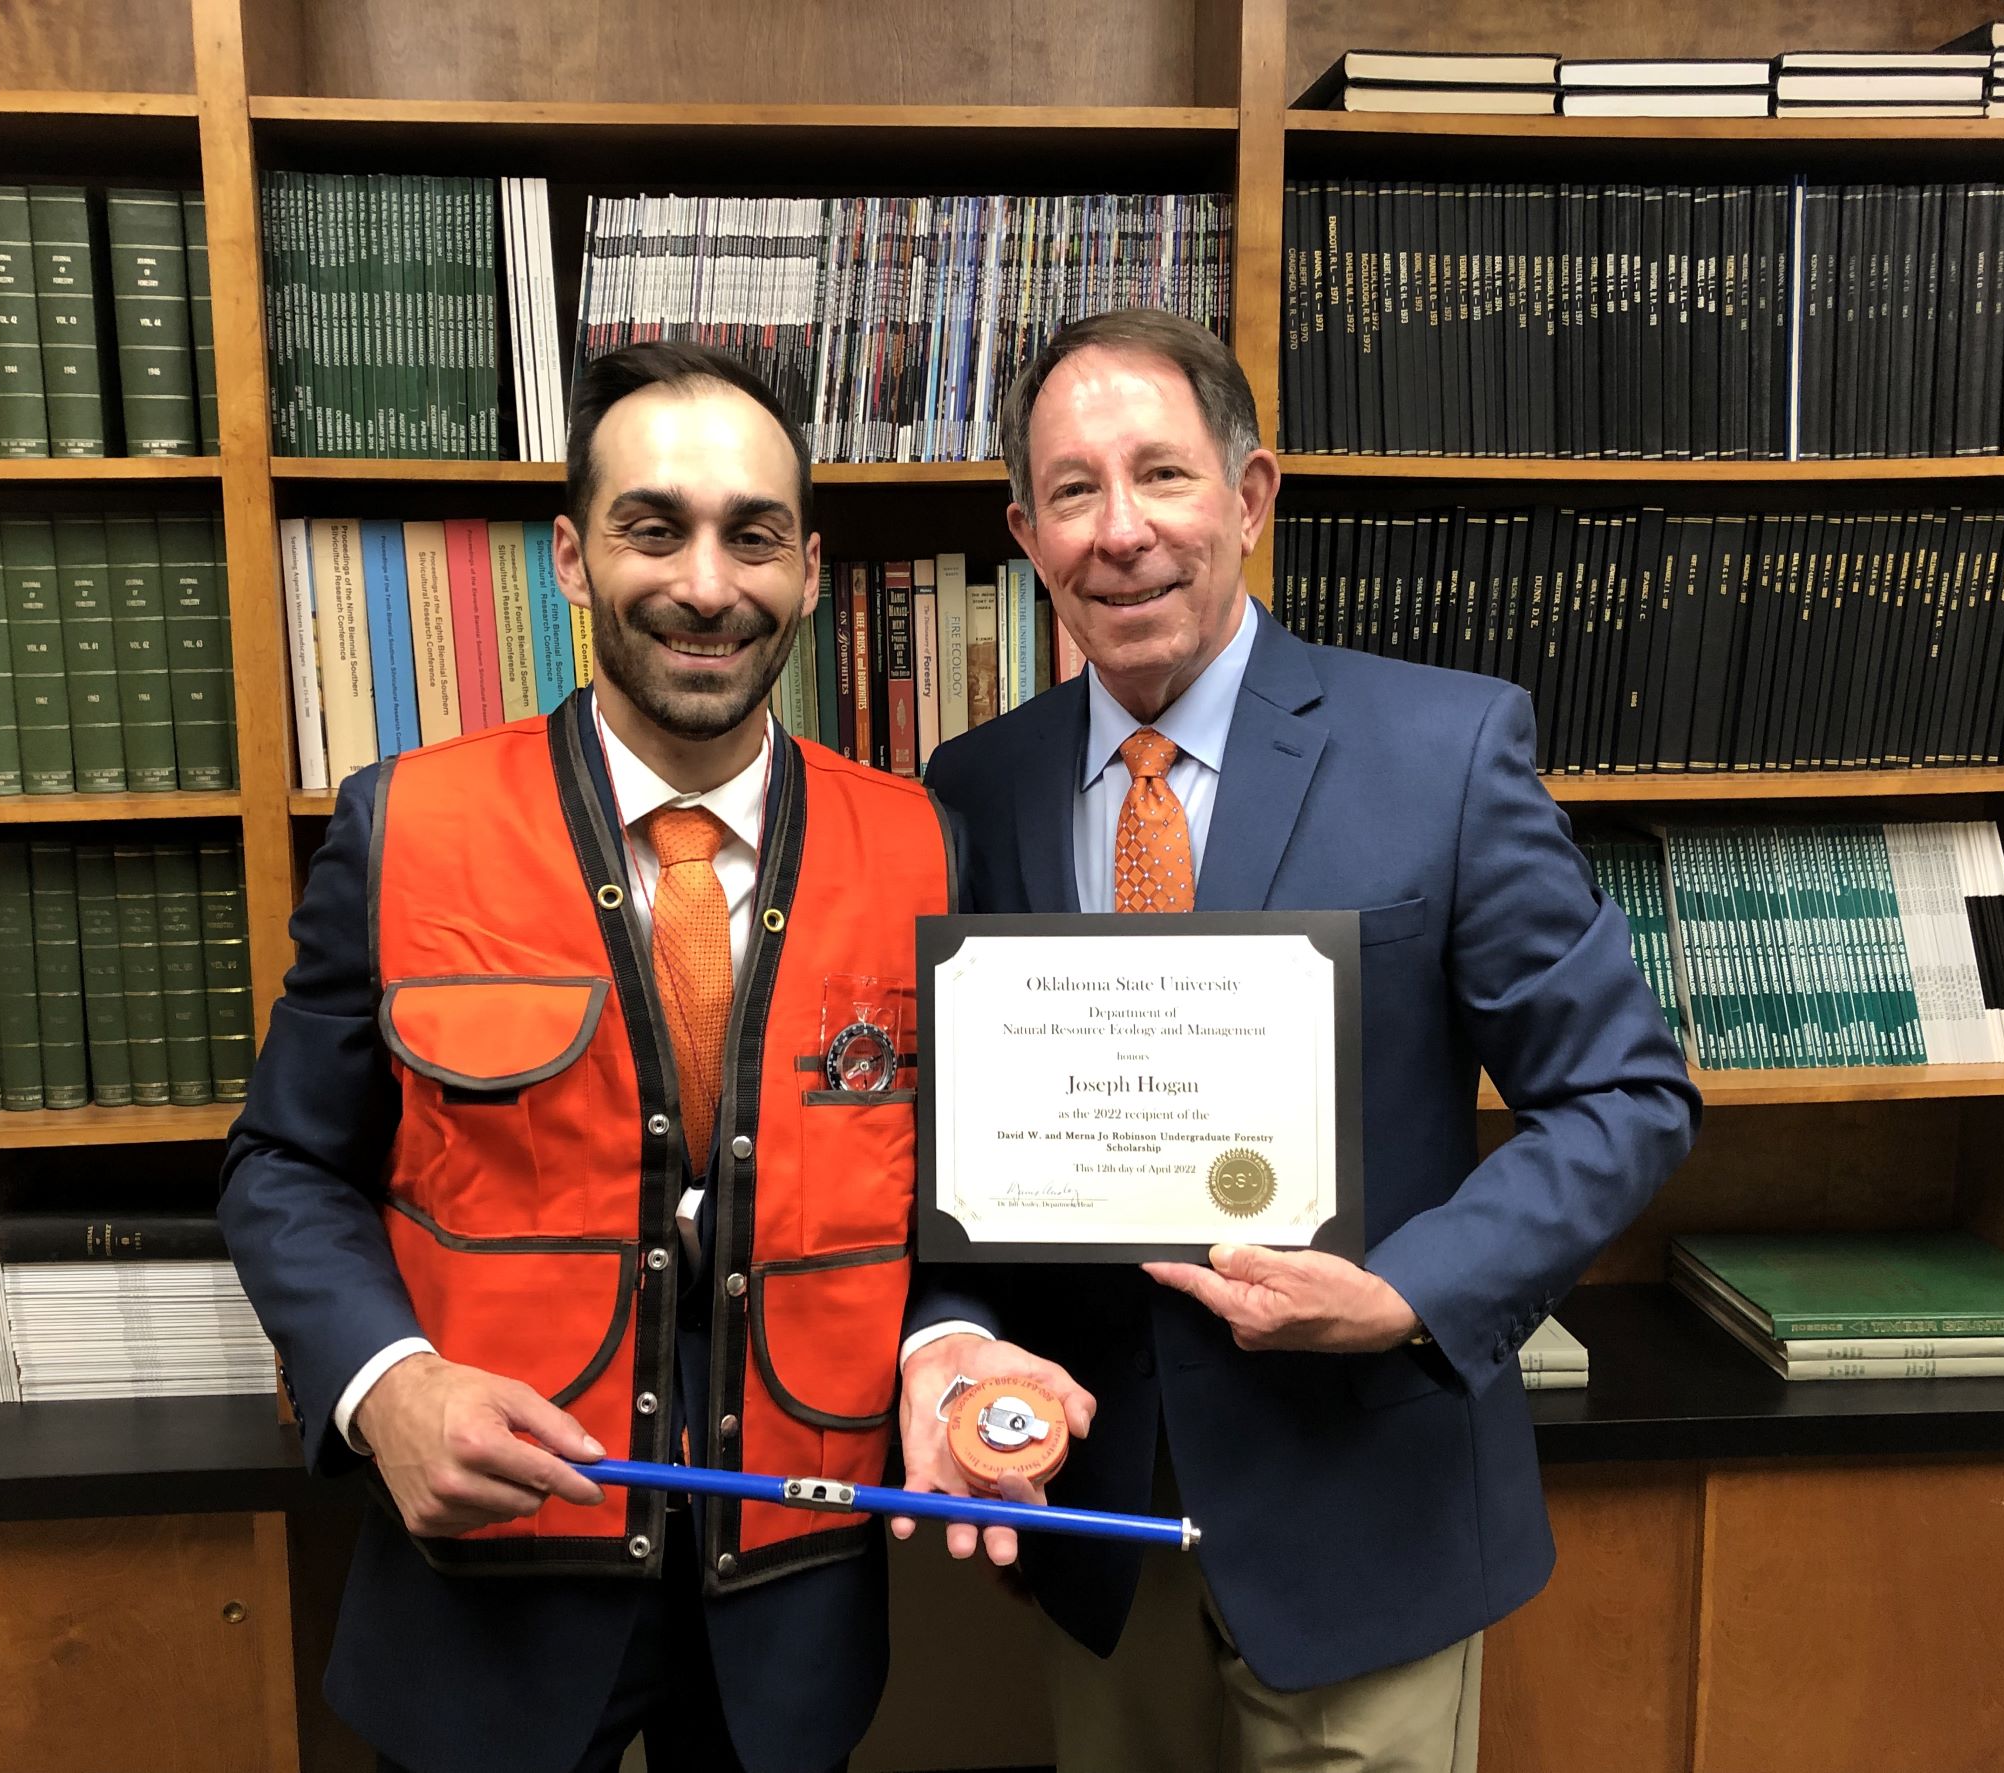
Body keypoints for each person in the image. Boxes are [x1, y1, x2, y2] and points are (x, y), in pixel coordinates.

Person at [895, 308, 1701, 1773]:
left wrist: (1401, 1294)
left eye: (1163, 475)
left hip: (1367, 1508)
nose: (1121, 531)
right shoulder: (971, 789)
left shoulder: (1443, 751)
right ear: (1026, 531)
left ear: (1252, 496)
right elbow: (945, 1152)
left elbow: (1622, 1099)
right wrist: (950, 1338)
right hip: (1098, 1527)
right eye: (1074, 491)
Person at [219, 341, 959, 1773]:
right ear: (571, 555)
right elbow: (285, 1163)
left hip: (790, 1610)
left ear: (809, 567)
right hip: (484, 1597)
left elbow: (960, 1197)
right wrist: (388, 1384)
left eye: (751, 534)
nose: (703, 581)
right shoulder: (404, 828)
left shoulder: (927, 844)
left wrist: (956, 1343)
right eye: (651, 526)